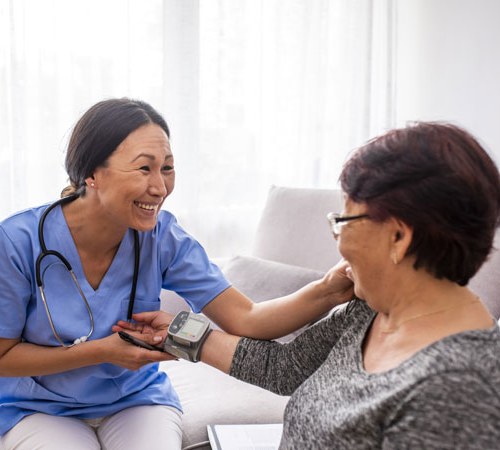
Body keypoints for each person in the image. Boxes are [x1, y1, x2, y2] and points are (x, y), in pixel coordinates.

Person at [123, 122, 500, 449]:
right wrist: (175, 332)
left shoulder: (459, 387)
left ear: (398, 237)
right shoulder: (372, 312)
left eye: (344, 219)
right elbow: (284, 367)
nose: (337, 237)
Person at [0, 98, 348, 450]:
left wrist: (329, 290)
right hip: (38, 408)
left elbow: (247, 318)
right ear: (92, 174)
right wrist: (102, 352)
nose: (160, 187)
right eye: (143, 169)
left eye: (167, 168)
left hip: (135, 400)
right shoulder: (19, 241)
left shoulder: (162, 237)